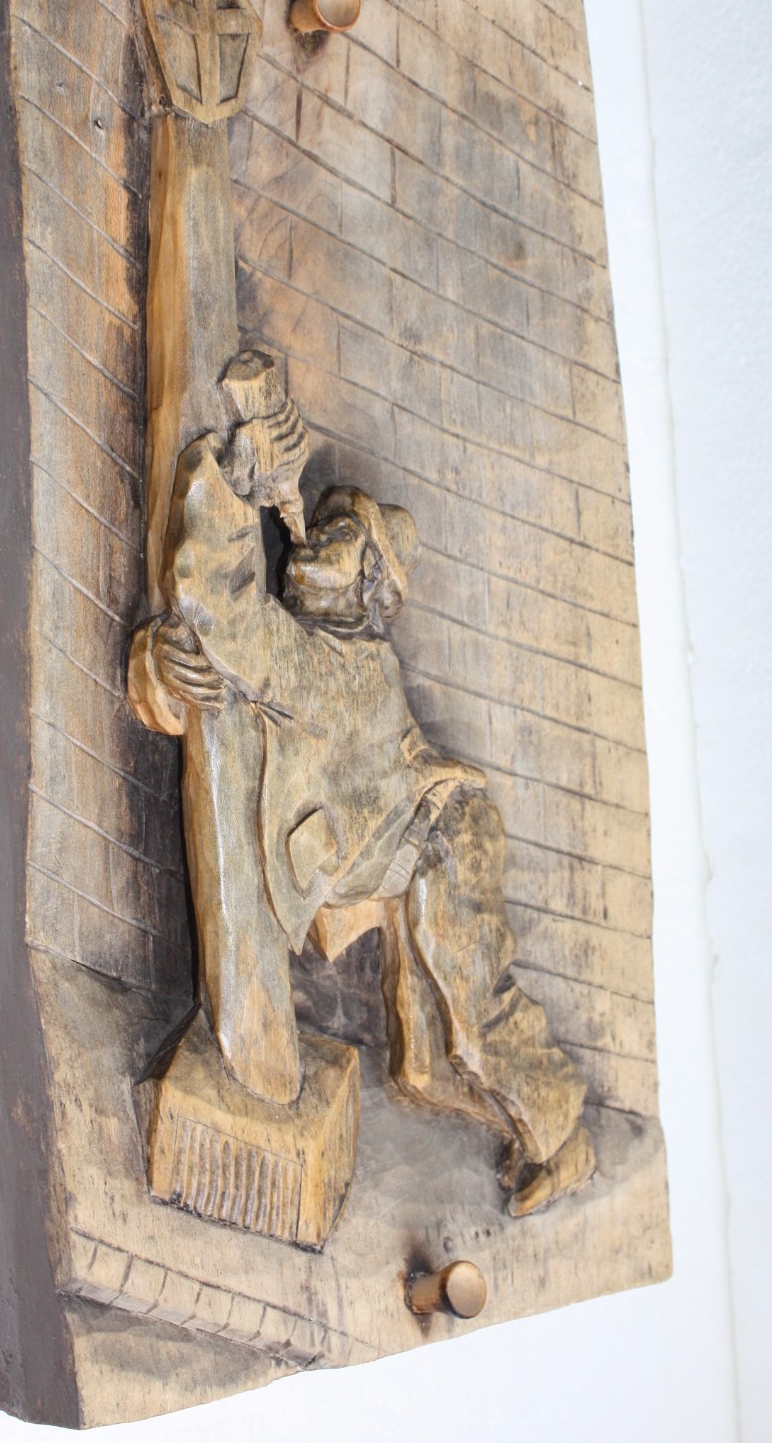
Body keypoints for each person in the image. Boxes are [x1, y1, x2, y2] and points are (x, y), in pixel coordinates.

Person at [128, 386, 595, 1216]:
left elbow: (234, 626)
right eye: (317, 526)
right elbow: (221, 668)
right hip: (394, 853)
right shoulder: (306, 654)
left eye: (342, 535)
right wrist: (160, 663)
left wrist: (234, 475)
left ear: (372, 582)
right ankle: (540, 1134)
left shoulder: (345, 666)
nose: (313, 536)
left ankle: (563, 1138)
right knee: (422, 1070)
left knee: (474, 1024)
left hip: (443, 839)